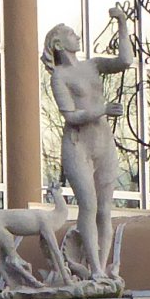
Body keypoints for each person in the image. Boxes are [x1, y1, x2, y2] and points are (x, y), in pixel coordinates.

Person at [45, 21, 131, 281]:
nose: (77, 36)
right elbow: (71, 114)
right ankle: (93, 269)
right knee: (89, 205)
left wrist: (122, 23)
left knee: (105, 209)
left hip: (103, 142)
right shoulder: (59, 76)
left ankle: (102, 269)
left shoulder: (93, 65)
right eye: (71, 34)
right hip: (78, 144)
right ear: (59, 44)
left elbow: (124, 61)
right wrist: (102, 110)